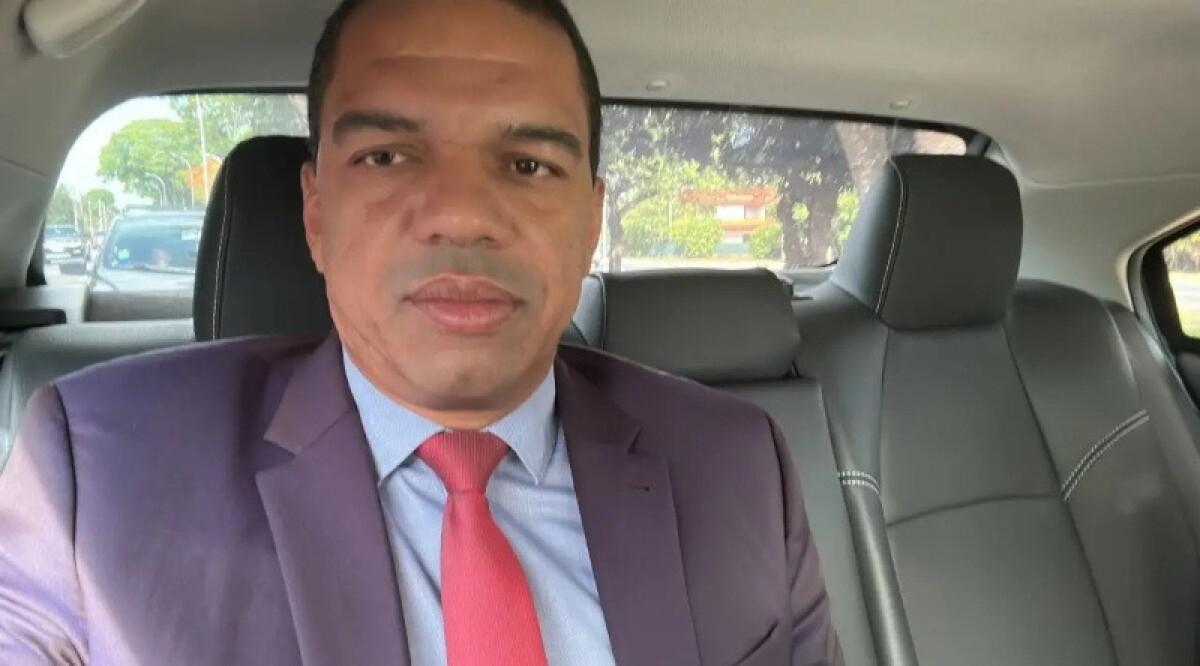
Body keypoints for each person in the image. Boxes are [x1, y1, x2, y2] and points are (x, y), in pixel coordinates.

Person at [0, 1, 841, 664]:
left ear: (590, 224)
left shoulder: (737, 469)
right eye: (389, 156)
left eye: (529, 165)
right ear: (316, 215)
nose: (463, 216)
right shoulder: (98, 475)